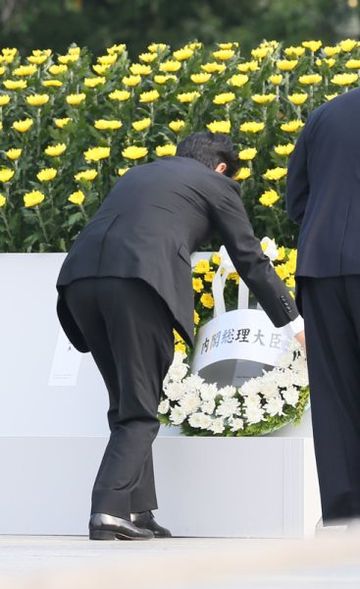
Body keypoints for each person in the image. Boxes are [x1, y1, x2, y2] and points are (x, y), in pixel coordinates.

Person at [56, 132, 304, 541]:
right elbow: (249, 258)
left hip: (79, 281)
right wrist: (294, 324)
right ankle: (108, 509)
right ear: (222, 168)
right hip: (138, 282)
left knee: (127, 400)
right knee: (138, 408)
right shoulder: (215, 184)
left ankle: (138, 510)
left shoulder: (141, 173)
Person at [286, 88, 360, 529]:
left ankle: (344, 511)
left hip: (322, 264)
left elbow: (298, 198)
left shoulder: (324, 115)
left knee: (334, 392)